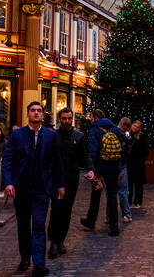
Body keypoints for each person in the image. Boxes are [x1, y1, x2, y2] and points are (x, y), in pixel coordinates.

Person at [2, 101, 65, 276]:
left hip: (41, 189)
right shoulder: (17, 135)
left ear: (43, 115)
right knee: (23, 226)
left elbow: (58, 162)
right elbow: (7, 160)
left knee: (38, 225)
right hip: (22, 189)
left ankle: (39, 264)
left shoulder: (51, 136)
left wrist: (60, 185)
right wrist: (8, 182)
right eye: (33, 111)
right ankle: (24, 257)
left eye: (39, 111)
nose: (36, 113)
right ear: (28, 114)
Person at [48, 108, 93, 259]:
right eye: (64, 118)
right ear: (59, 119)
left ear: (72, 119)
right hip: (56, 180)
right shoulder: (53, 136)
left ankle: (61, 240)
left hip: (72, 180)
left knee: (67, 211)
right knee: (56, 209)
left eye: (69, 118)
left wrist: (90, 169)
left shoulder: (79, 136)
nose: (67, 121)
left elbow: (85, 156)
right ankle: (53, 241)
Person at [81, 109, 125, 236]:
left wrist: (95, 170)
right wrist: (119, 166)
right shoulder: (115, 129)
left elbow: (93, 151)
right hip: (115, 167)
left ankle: (91, 220)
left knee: (96, 194)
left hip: (101, 167)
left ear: (95, 117)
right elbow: (121, 149)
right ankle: (114, 227)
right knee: (112, 195)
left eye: (91, 117)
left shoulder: (94, 130)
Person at [113, 117, 133, 223]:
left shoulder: (112, 132)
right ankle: (126, 214)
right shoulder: (123, 135)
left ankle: (109, 216)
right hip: (121, 166)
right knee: (123, 191)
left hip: (111, 166)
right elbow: (127, 149)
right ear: (125, 126)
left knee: (111, 194)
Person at [127, 120, 148, 208]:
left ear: (139, 129)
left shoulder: (141, 136)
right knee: (129, 184)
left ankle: (137, 202)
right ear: (131, 125)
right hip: (129, 164)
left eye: (137, 127)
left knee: (139, 184)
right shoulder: (127, 135)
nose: (135, 127)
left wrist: (142, 161)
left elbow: (146, 151)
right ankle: (128, 202)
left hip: (139, 164)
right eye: (134, 125)